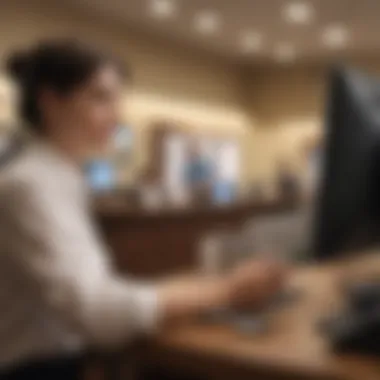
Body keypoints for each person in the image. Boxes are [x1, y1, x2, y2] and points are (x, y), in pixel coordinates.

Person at [0, 39, 286, 379]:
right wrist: (226, 290)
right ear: (50, 102)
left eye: (117, 99)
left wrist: (203, 291)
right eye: (100, 97)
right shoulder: (30, 184)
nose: (118, 115)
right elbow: (97, 311)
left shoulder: (59, 177)